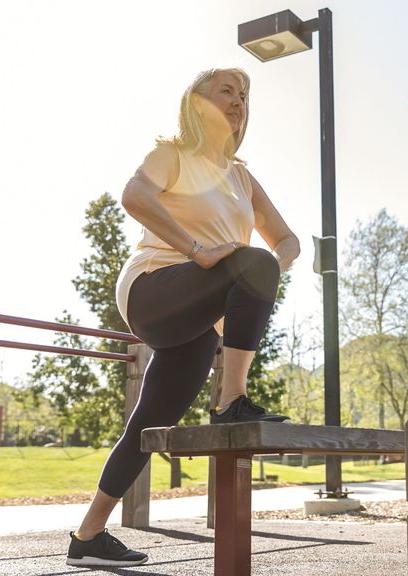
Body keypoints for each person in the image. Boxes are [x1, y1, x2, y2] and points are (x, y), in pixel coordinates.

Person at [66, 67, 300, 568]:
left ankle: (87, 537)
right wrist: (197, 250)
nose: (238, 101)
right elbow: (134, 196)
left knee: (150, 424)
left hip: (198, 318)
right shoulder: (171, 154)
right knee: (250, 262)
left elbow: (288, 241)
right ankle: (231, 400)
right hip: (153, 287)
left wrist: (265, 271)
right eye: (226, 91)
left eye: (244, 95)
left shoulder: (241, 176)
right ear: (197, 103)